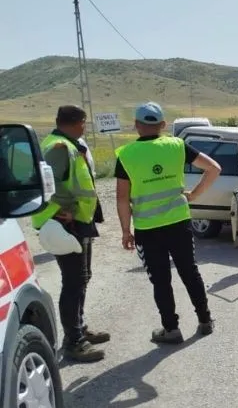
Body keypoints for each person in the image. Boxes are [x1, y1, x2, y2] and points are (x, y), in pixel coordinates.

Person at [115, 102, 221, 344]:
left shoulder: (126, 155)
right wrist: (193, 195)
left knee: (161, 280)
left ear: (136, 125)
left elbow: (122, 198)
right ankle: (205, 320)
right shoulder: (177, 146)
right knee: (190, 272)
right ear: (163, 125)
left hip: (147, 228)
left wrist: (125, 231)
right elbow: (214, 168)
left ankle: (171, 329)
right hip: (178, 222)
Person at [30, 105, 109, 362]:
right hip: (66, 223)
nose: (85, 128)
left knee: (82, 278)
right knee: (74, 282)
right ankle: (73, 341)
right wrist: (61, 211)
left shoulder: (65, 143)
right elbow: (46, 185)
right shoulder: (60, 148)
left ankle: (79, 327)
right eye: (84, 123)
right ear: (77, 122)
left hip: (77, 220)